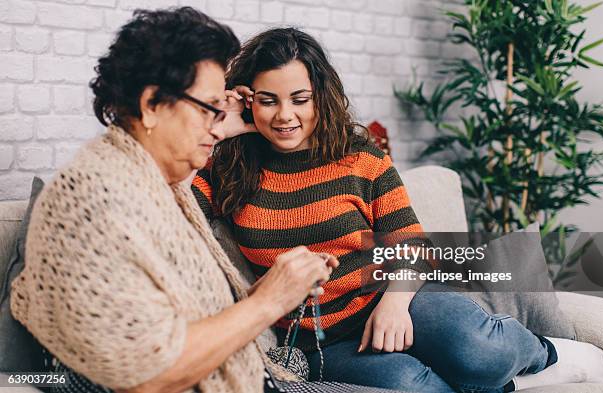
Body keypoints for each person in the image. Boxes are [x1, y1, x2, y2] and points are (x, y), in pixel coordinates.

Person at [7, 8, 409, 393]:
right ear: (151, 106)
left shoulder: (146, 181)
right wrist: (270, 300)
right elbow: (147, 373)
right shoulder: (100, 200)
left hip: (268, 364)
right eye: (210, 108)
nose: (223, 120)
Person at [191, 28, 561, 393]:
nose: (285, 115)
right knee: (414, 387)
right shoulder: (228, 168)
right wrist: (222, 130)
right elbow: (173, 205)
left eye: (300, 99)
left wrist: (395, 304)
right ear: (248, 100)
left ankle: (550, 354)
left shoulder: (360, 158)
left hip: (398, 296)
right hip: (322, 343)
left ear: (321, 97)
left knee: (482, 351)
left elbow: (412, 246)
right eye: (268, 100)